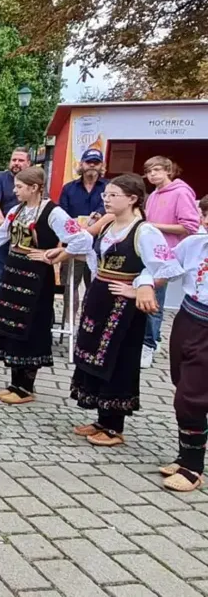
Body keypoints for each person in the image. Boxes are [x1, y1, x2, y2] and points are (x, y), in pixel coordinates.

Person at [68, 173, 182, 447]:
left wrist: (139, 288)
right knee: (95, 354)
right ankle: (101, 417)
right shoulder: (108, 226)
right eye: (105, 194)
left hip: (124, 308)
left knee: (118, 359)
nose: (106, 199)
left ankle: (114, 425)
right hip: (101, 299)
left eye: (113, 195)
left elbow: (167, 268)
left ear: (133, 198)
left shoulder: (145, 231)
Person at [0, 167, 93, 405]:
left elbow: (82, 239)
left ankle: (26, 387)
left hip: (35, 277)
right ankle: (15, 383)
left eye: (20, 187)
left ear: (34, 187)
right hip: (14, 272)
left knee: (31, 326)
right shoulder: (16, 210)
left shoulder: (54, 213)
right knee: (13, 325)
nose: (15, 191)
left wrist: (56, 254)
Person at [159, 196, 208, 491]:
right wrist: (142, 285)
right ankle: (185, 453)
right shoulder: (193, 245)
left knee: (191, 396)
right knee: (181, 381)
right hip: (189, 319)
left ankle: (193, 467)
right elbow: (165, 268)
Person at [141, 155, 200, 367]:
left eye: (157, 170)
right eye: (149, 171)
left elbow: (190, 226)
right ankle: (145, 341)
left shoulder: (182, 192)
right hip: (147, 252)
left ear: (169, 170)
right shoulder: (154, 194)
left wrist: (154, 226)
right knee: (144, 294)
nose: (152, 174)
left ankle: (150, 344)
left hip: (166, 254)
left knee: (154, 301)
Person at [57, 148, 108, 321]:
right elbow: (62, 214)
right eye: (89, 162)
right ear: (82, 165)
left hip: (99, 245)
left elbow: (109, 210)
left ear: (102, 166)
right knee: (70, 286)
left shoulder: (108, 188)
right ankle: (68, 323)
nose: (92, 166)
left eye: (96, 162)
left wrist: (97, 217)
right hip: (73, 244)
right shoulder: (69, 188)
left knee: (94, 288)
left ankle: (89, 323)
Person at [0, 147, 31, 294]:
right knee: (0, 275)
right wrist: (6, 226)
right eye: (14, 160)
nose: (16, 163)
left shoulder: (34, 182)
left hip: (25, 236)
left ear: (29, 163)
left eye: (21, 160)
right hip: (2, 230)